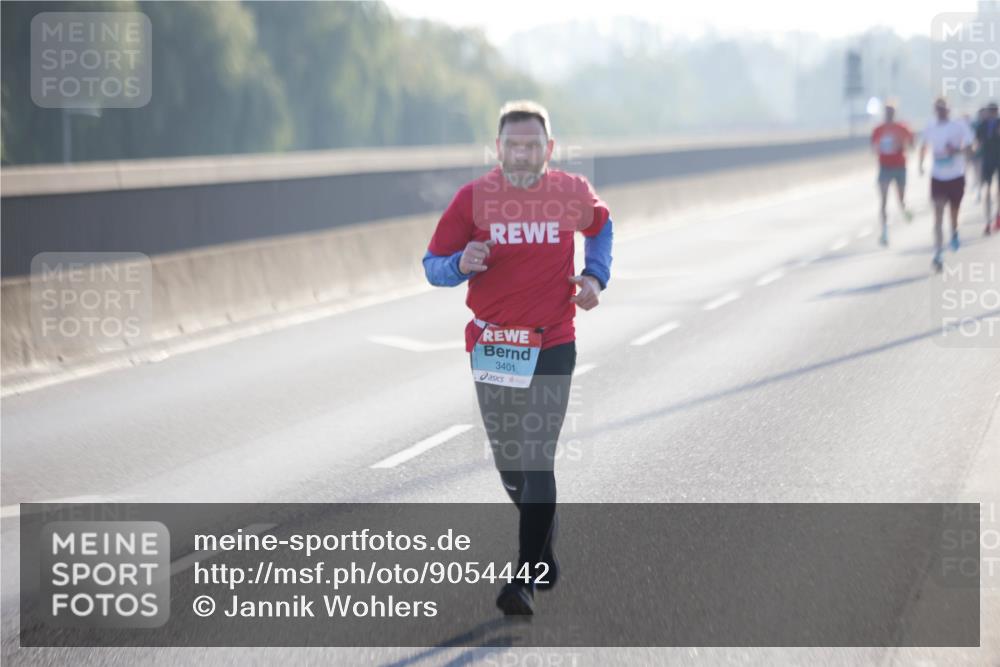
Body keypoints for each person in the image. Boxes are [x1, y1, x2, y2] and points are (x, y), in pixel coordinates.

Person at [422, 100, 613, 616]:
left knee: (535, 455)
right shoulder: (473, 199)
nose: (523, 154)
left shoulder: (569, 192)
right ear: (498, 148)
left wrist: (595, 276)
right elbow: (432, 265)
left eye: (533, 146)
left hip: (552, 339)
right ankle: (542, 544)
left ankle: (523, 580)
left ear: (549, 150)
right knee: (511, 466)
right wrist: (460, 263)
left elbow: (601, 226)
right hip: (494, 346)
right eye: (513, 145)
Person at [919, 97, 974, 272]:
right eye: (938, 108)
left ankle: (955, 231)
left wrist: (956, 150)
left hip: (956, 176)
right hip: (938, 177)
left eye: (944, 108)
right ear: (935, 110)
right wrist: (920, 164)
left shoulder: (959, 125)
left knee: (953, 213)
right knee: (938, 215)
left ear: (949, 109)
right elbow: (923, 145)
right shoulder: (930, 126)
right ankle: (938, 253)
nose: (941, 111)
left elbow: (971, 147)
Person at [870, 102, 914, 245]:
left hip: (900, 167)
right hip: (885, 167)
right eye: (887, 112)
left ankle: (905, 211)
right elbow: (873, 147)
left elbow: (912, 144)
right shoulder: (878, 129)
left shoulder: (902, 127)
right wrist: (880, 147)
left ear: (895, 113)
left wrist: (901, 145)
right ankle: (884, 233)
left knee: (901, 200)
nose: (889, 114)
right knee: (883, 201)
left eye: (891, 112)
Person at [976, 101, 1000, 235]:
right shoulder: (982, 125)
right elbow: (978, 143)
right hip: (987, 160)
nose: (992, 114)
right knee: (987, 190)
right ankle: (988, 221)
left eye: (994, 111)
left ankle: (998, 215)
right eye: (991, 111)